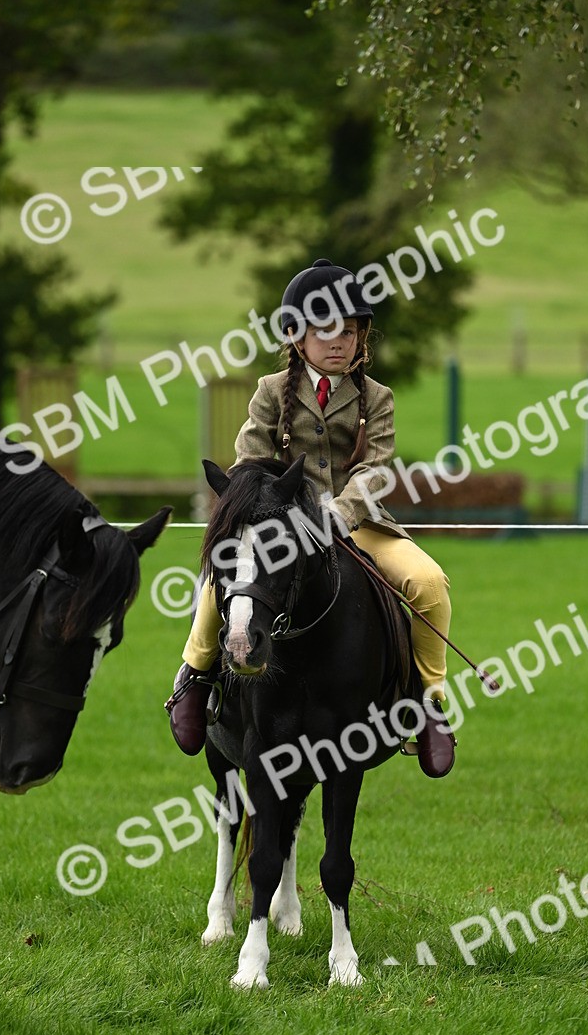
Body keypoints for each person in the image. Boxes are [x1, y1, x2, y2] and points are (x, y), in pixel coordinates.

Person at [168, 258, 455, 778]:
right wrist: (262, 509)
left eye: (348, 331)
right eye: (324, 330)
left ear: (361, 336)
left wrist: (337, 514)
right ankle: (194, 676)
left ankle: (430, 703)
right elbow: (249, 461)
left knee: (430, 582)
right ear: (297, 337)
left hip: (360, 525)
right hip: (279, 523)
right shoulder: (270, 391)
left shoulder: (377, 398)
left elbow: (375, 470)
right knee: (227, 576)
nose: (338, 341)